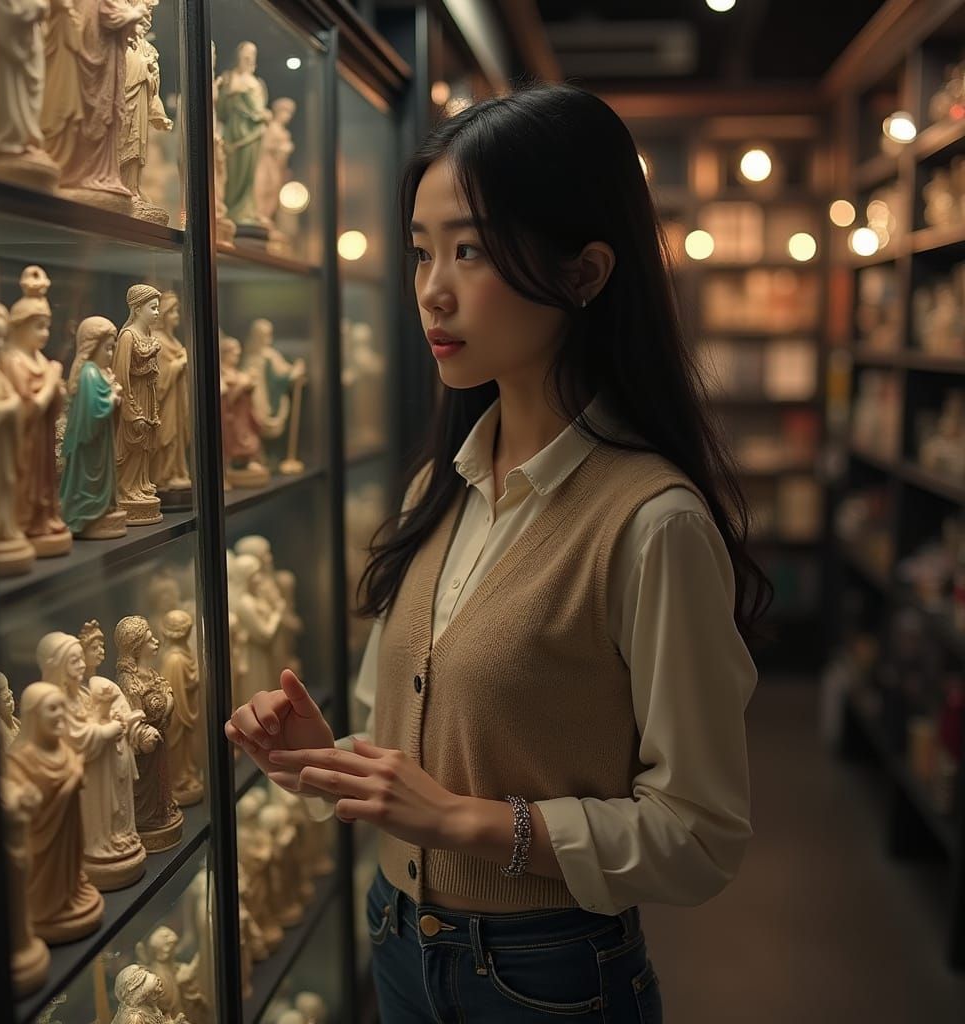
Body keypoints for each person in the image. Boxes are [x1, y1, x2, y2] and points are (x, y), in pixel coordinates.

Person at [226, 82, 769, 1023]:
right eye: (421, 251)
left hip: (546, 975)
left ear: (585, 272)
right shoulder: (437, 491)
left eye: (470, 250)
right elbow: (418, 764)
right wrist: (325, 762)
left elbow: (700, 836)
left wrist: (469, 824)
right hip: (398, 938)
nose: (431, 290)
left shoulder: (652, 523)